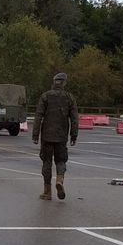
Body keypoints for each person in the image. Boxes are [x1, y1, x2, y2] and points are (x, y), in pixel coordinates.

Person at [31, 72, 79, 201]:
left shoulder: (45, 96)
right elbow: (74, 118)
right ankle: (60, 180)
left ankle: (47, 191)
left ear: (54, 82)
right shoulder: (69, 97)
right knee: (61, 160)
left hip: (47, 135)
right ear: (64, 83)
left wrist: (35, 134)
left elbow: (38, 116)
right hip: (62, 135)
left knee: (46, 162)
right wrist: (74, 135)